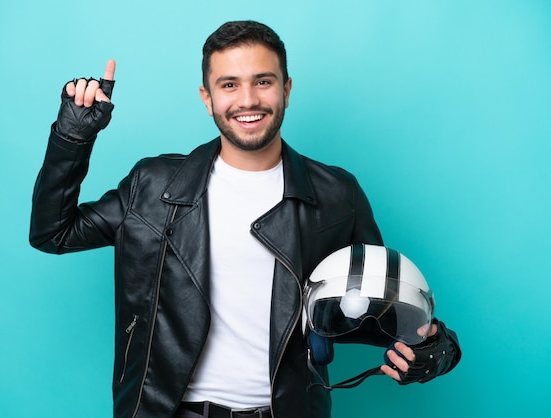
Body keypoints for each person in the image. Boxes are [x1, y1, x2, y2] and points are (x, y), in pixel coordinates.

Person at [30, 20, 460, 418]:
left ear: (286, 90)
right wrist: (72, 135)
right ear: (207, 98)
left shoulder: (336, 194)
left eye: (263, 82)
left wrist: (436, 349)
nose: (248, 100)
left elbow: (382, 305)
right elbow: (53, 232)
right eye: (229, 84)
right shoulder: (153, 184)